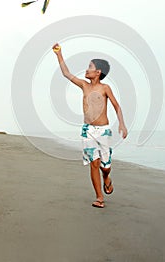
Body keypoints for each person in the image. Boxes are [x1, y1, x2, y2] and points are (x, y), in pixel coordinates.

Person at [53, 43, 128, 208]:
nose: (86, 70)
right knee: (94, 163)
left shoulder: (105, 88)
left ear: (98, 72)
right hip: (88, 131)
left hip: (103, 131)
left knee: (105, 166)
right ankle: (99, 197)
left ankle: (107, 177)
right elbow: (66, 73)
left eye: (90, 67)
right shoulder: (84, 85)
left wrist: (122, 124)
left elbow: (116, 106)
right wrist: (59, 53)